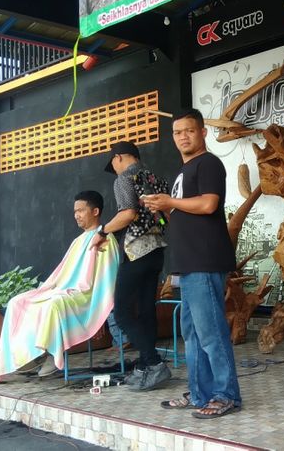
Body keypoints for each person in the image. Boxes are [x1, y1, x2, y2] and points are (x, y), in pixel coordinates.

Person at [143, 109, 241, 419]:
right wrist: (162, 208)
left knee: (210, 331)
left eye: (189, 130)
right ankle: (201, 392)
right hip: (188, 263)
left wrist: (169, 202)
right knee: (194, 333)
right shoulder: (183, 171)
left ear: (203, 133)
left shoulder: (208, 163)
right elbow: (183, 214)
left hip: (205, 260)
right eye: (177, 132)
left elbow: (209, 204)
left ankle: (226, 395)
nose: (183, 136)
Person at [0, 191, 118, 380]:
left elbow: (105, 279)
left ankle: (51, 356)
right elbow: (62, 274)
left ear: (95, 211)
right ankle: (27, 357)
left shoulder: (105, 238)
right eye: (75, 211)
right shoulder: (78, 240)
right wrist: (50, 288)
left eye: (81, 211)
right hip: (64, 289)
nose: (76, 215)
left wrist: (100, 308)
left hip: (87, 296)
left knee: (53, 305)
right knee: (17, 302)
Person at [90, 141, 171, 391]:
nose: (113, 169)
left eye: (113, 163)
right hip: (158, 250)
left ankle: (155, 363)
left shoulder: (124, 178)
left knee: (122, 312)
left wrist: (102, 231)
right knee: (146, 309)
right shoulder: (156, 177)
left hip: (137, 251)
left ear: (120, 158)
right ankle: (148, 366)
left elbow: (128, 214)